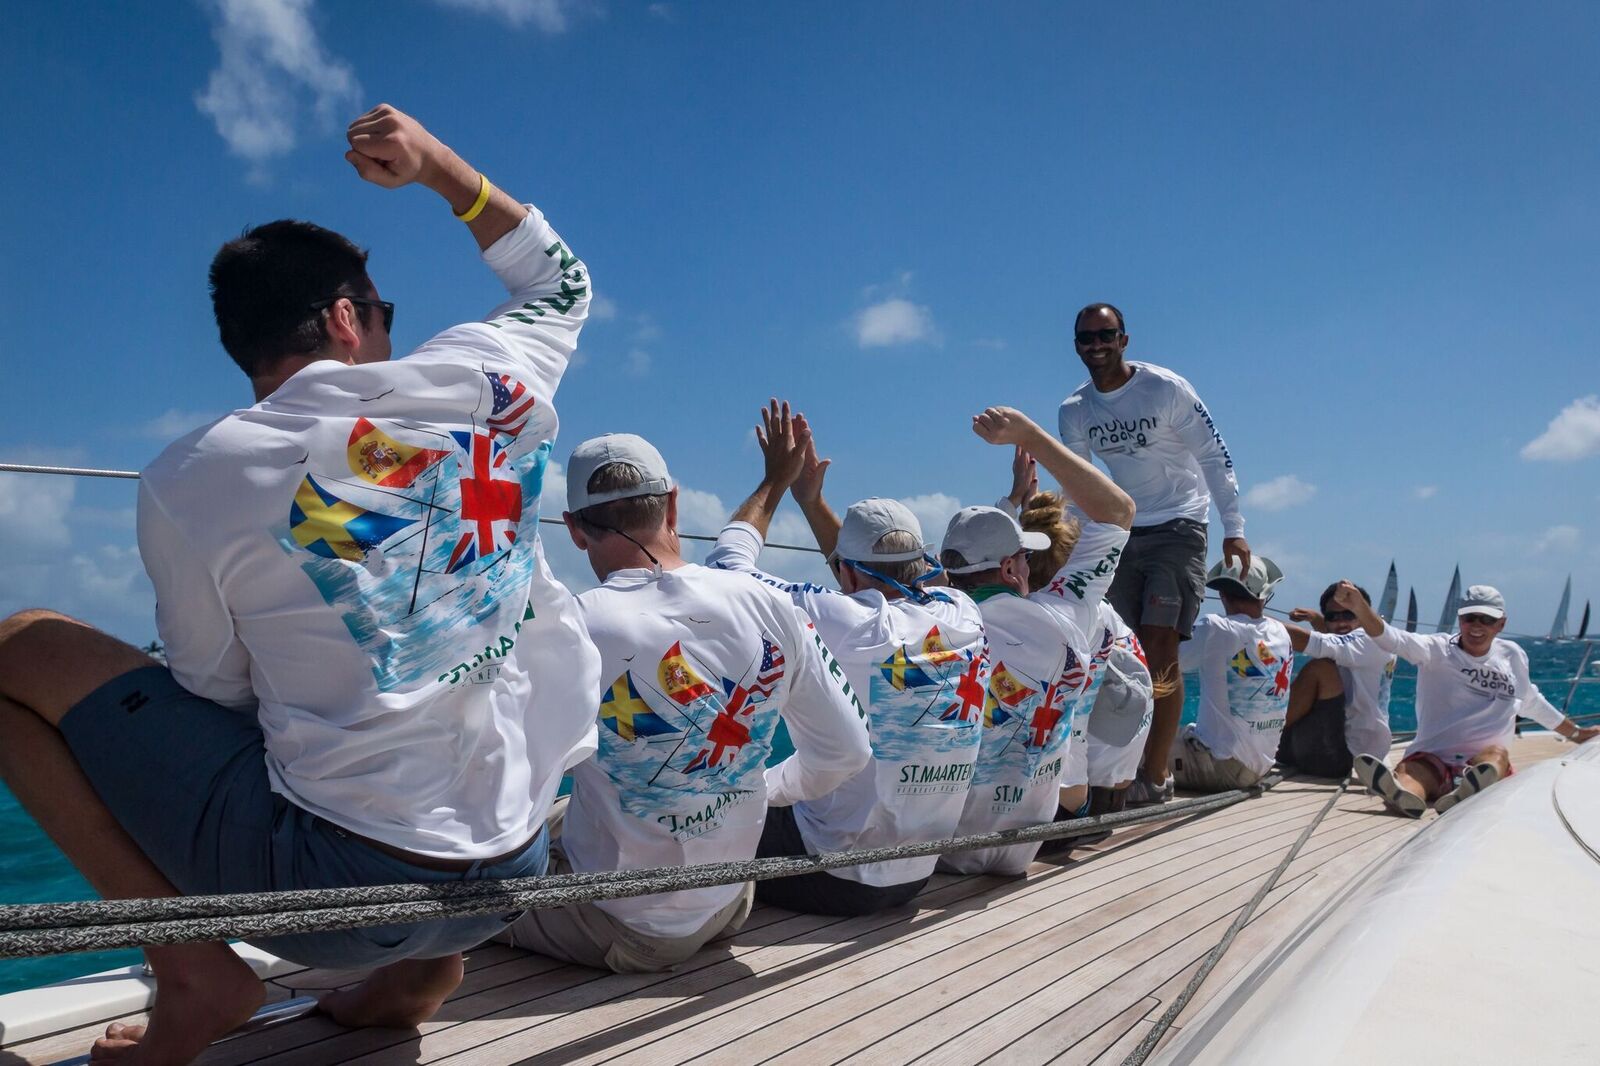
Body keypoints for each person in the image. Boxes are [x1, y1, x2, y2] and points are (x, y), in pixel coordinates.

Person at [0, 104, 600, 1062]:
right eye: (385, 316)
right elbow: (560, 279)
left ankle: (195, 967)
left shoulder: (193, 474)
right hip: (516, 869)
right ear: (345, 318)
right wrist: (437, 165)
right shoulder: (490, 375)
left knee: (15, 648)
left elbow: (213, 691)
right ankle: (418, 975)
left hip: (337, 903)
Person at [499, 430, 870, 970]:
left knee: (453, 890)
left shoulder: (571, 628)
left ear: (576, 531)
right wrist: (759, 788)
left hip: (622, 927)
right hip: (728, 903)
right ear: (674, 503)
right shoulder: (771, 603)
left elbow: (506, 785)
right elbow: (847, 753)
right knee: (565, 811)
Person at [706, 404, 989, 916]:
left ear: (848, 578)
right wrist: (813, 503)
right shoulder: (964, 614)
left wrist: (776, 482)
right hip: (915, 875)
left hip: (835, 876)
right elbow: (874, 579)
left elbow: (726, 569)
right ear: (921, 565)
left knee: (701, 809)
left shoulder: (848, 621)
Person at [1058, 303, 1251, 806]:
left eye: (1106, 335)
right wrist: (1064, 544)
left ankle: (1158, 771)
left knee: (1162, 643)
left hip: (1179, 526)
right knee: (1121, 651)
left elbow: (1214, 452)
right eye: (1086, 338)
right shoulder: (1075, 410)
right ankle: (1120, 769)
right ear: (1076, 345)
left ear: (1124, 339)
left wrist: (1234, 527)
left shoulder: (1164, 388)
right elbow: (1081, 484)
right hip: (1120, 530)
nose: (1096, 345)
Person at [935, 412, 1134, 876]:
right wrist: (1030, 437)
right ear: (1010, 569)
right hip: (1040, 834)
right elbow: (1119, 511)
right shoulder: (1067, 613)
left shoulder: (932, 621)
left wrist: (1008, 505)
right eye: (1023, 555)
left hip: (944, 848)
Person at [1334, 582, 1600, 816]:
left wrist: (1576, 733)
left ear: (1501, 624)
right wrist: (1360, 609)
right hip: (1432, 757)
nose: (1476, 626)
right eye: (1470, 618)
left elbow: (1531, 701)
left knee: (1495, 756)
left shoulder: (1513, 655)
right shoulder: (1436, 649)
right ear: (1460, 619)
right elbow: (1390, 637)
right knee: (1414, 775)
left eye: (1486, 620)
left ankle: (1465, 788)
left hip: (1483, 762)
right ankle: (1403, 793)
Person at [1171, 556, 1291, 791]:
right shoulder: (1282, 632)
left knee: (1138, 749)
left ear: (1223, 596)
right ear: (1265, 596)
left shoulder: (1214, 628)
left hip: (1221, 768)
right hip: (1260, 768)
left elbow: (1166, 663)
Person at [1275, 583, 1396, 779]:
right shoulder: (1383, 637)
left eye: (1349, 614)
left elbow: (1320, 642)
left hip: (1339, 757)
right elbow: (1337, 637)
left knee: (1322, 668)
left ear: (1365, 613)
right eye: (1333, 616)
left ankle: (1268, 735)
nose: (1341, 622)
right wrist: (1316, 619)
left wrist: (1254, 620)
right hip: (1356, 751)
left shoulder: (1367, 640)